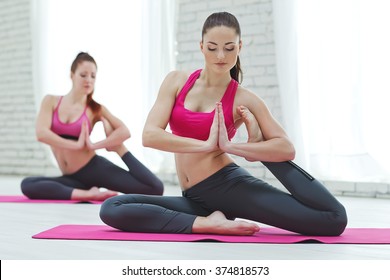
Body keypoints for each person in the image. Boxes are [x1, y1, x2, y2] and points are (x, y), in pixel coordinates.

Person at [100, 12, 347, 236]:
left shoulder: (244, 98)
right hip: (195, 197)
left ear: (239, 47)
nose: (220, 56)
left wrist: (240, 148)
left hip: (228, 188)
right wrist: (206, 145)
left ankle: (211, 219)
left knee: (333, 219)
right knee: (112, 207)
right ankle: (206, 222)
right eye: (212, 47)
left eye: (229, 48)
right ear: (201, 47)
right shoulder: (176, 81)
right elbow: (150, 135)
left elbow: (286, 148)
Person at [21, 52, 164, 201]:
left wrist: (96, 145)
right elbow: (41, 133)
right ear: (72, 75)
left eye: (93, 76)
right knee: (27, 185)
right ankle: (88, 194)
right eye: (83, 75)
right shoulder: (50, 101)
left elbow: (124, 131)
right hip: (73, 179)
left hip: (96, 170)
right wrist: (76, 145)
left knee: (155, 188)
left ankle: (118, 149)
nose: (88, 80)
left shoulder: (95, 108)